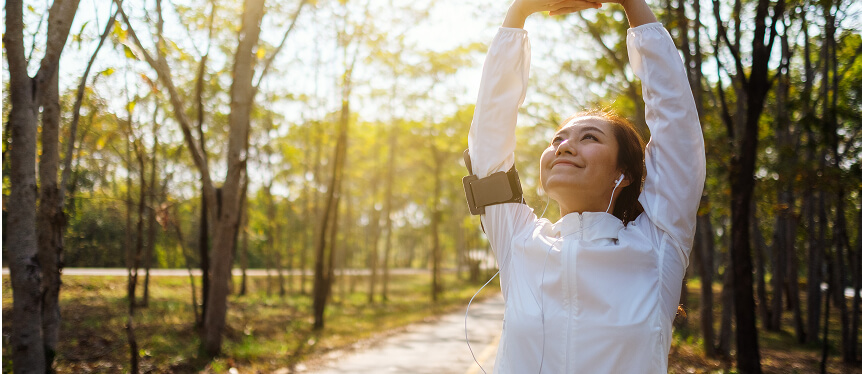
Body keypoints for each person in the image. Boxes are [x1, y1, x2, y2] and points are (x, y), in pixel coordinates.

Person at [466, 0, 706, 372]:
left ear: (623, 174)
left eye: (590, 138)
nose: (563, 146)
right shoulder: (520, 241)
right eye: (557, 139)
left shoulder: (657, 246)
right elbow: (489, 139)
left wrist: (632, 4)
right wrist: (518, 12)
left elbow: (677, 126)